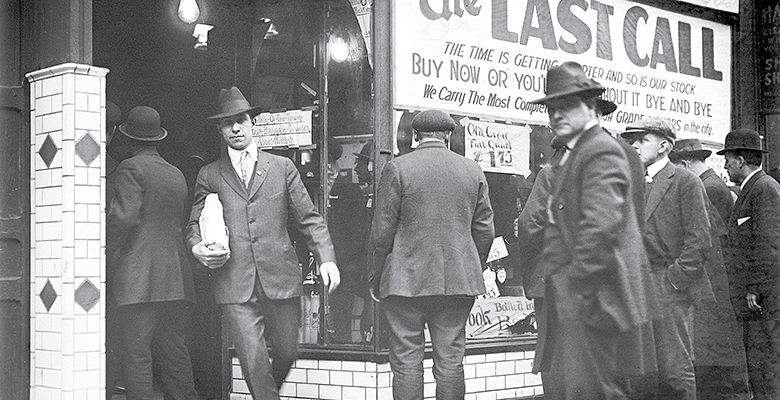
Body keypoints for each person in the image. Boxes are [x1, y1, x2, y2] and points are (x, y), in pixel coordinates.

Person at [185, 87, 340, 400]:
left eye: (241, 120)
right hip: (234, 282)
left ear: (252, 122)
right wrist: (196, 247)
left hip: (279, 277)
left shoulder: (282, 168)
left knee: (286, 351)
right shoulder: (210, 174)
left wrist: (326, 258)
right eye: (228, 123)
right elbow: (193, 225)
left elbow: (309, 218)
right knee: (253, 360)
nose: (236, 128)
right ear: (220, 129)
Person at [529, 61, 648, 399]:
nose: (556, 115)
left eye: (566, 106)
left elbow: (600, 228)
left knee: (594, 390)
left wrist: (576, 289)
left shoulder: (600, 151)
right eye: (551, 108)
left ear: (591, 107)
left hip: (594, 299)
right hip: (584, 297)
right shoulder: (578, 153)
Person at [368, 109, 494, 400]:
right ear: (448, 136)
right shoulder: (472, 169)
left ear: (415, 136)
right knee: (450, 362)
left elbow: (381, 233)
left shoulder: (398, 168)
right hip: (457, 283)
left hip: (405, 284)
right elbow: (485, 231)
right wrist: (470, 264)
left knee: (407, 362)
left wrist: (376, 277)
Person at [106, 106, 199, 400]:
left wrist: (110, 255)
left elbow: (125, 218)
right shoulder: (176, 173)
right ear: (158, 138)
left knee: (137, 354)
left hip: (138, 278)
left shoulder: (129, 168)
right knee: (174, 351)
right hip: (176, 277)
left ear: (128, 137)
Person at [621, 118, 714, 400]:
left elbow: (699, 240)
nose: (635, 146)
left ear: (663, 146)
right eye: (632, 141)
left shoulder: (684, 181)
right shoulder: (632, 182)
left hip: (668, 288)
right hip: (635, 289)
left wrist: (673, 282)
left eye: (642, 140)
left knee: (675, 371)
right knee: (640, 373)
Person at [669, 138, 750, 399]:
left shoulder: (707, 189)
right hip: (714, 281)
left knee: (713, 361)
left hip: (713, 283)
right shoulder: (711, 185)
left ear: (682, 164)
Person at [718, 128, 780, 400]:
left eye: (728, 159)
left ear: (741, 160)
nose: (725, 165)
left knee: (764, 362)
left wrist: (756, 286)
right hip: (756, 298)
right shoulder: (753, 188)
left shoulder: (764, 188)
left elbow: (769, 243)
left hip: (763, 299)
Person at [326, 141, 374, 344]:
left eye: (362, 163)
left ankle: (360, 334)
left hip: (358, 263)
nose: (356, 168)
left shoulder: (353, 193)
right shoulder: (351, 193)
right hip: (352, 263)